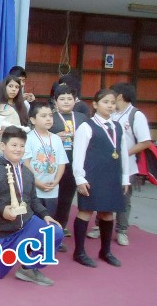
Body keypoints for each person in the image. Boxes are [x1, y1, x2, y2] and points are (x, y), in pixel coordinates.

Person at [0, 126, 63, 286]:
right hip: (2, 232)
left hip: (26, 224)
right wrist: (1, 209)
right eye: (14, 145)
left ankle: (28, 268)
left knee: (54, 231)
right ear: (2, 146)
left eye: (21, 146)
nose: (18, 149)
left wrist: (46, 215)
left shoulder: (26, 172)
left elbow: (33, 199)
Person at [86, 83, 151, 246]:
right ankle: (99, 226)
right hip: (105, 165)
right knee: (102, 194)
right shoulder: (111, 114)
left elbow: (145, 142)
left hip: (126, 166)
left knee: (122, 198)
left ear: (119, 96)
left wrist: (122, 154)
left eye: (112, 98)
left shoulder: (136, 115)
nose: (110, 103)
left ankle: (122, 230)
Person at [72, 89, 129, 268]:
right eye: (106, 102)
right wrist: (79, 178)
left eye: (113, 103)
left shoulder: (118, 127)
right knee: (86, 211)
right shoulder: (86, 126)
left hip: (112, 176)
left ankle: (105, 251)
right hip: (91, 176)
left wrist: (125, 178)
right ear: (95, 104)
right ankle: (79, 252)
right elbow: (78, 154)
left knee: (108, 213)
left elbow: (124, 154)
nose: (110, 106)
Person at [50, 85, 88, 243]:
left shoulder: (82, 118)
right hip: (52, 166)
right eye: (62, 99)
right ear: (55, 102)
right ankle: (47, 232)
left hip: (74, 165)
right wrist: (54, 136)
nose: (66, 102)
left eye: (69, 99)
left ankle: (59, 231)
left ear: (75, 100)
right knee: (52, 200)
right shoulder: (49, 117)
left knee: (66, 200)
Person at [23, 102, 68, 236]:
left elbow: (61, 163)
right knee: (33, 220)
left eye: (50, 115)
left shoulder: (56, 139)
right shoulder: (29, 138)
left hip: (52, 189)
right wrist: (37, 183)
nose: (48, 119)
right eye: (43, 116)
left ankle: (46, 244)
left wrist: (56, 181)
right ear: (33, 120)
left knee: (49, 218)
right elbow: (26, 163)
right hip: (34, 189)